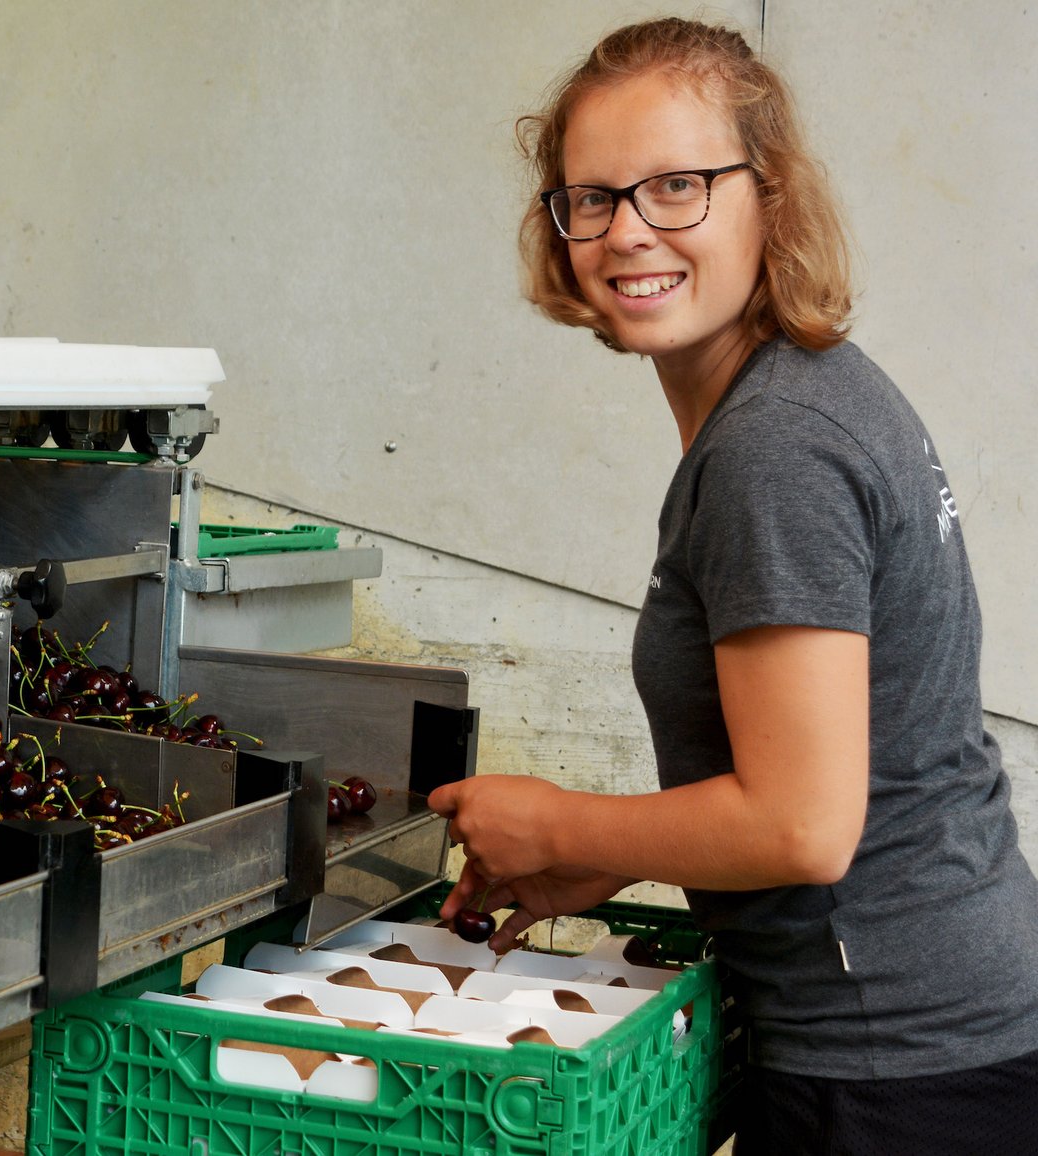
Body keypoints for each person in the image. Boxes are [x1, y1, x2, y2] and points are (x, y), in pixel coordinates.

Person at [426, 16, 1038, 1154]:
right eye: (591, 198)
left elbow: (803, 825)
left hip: (891, 1066)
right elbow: (855, 758)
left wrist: (553, 815)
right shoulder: (803, 396)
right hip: (939, 1026)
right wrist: (599, 858)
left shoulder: (775, 449)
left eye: (676, 186)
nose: (626, 231)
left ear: (768, 196)